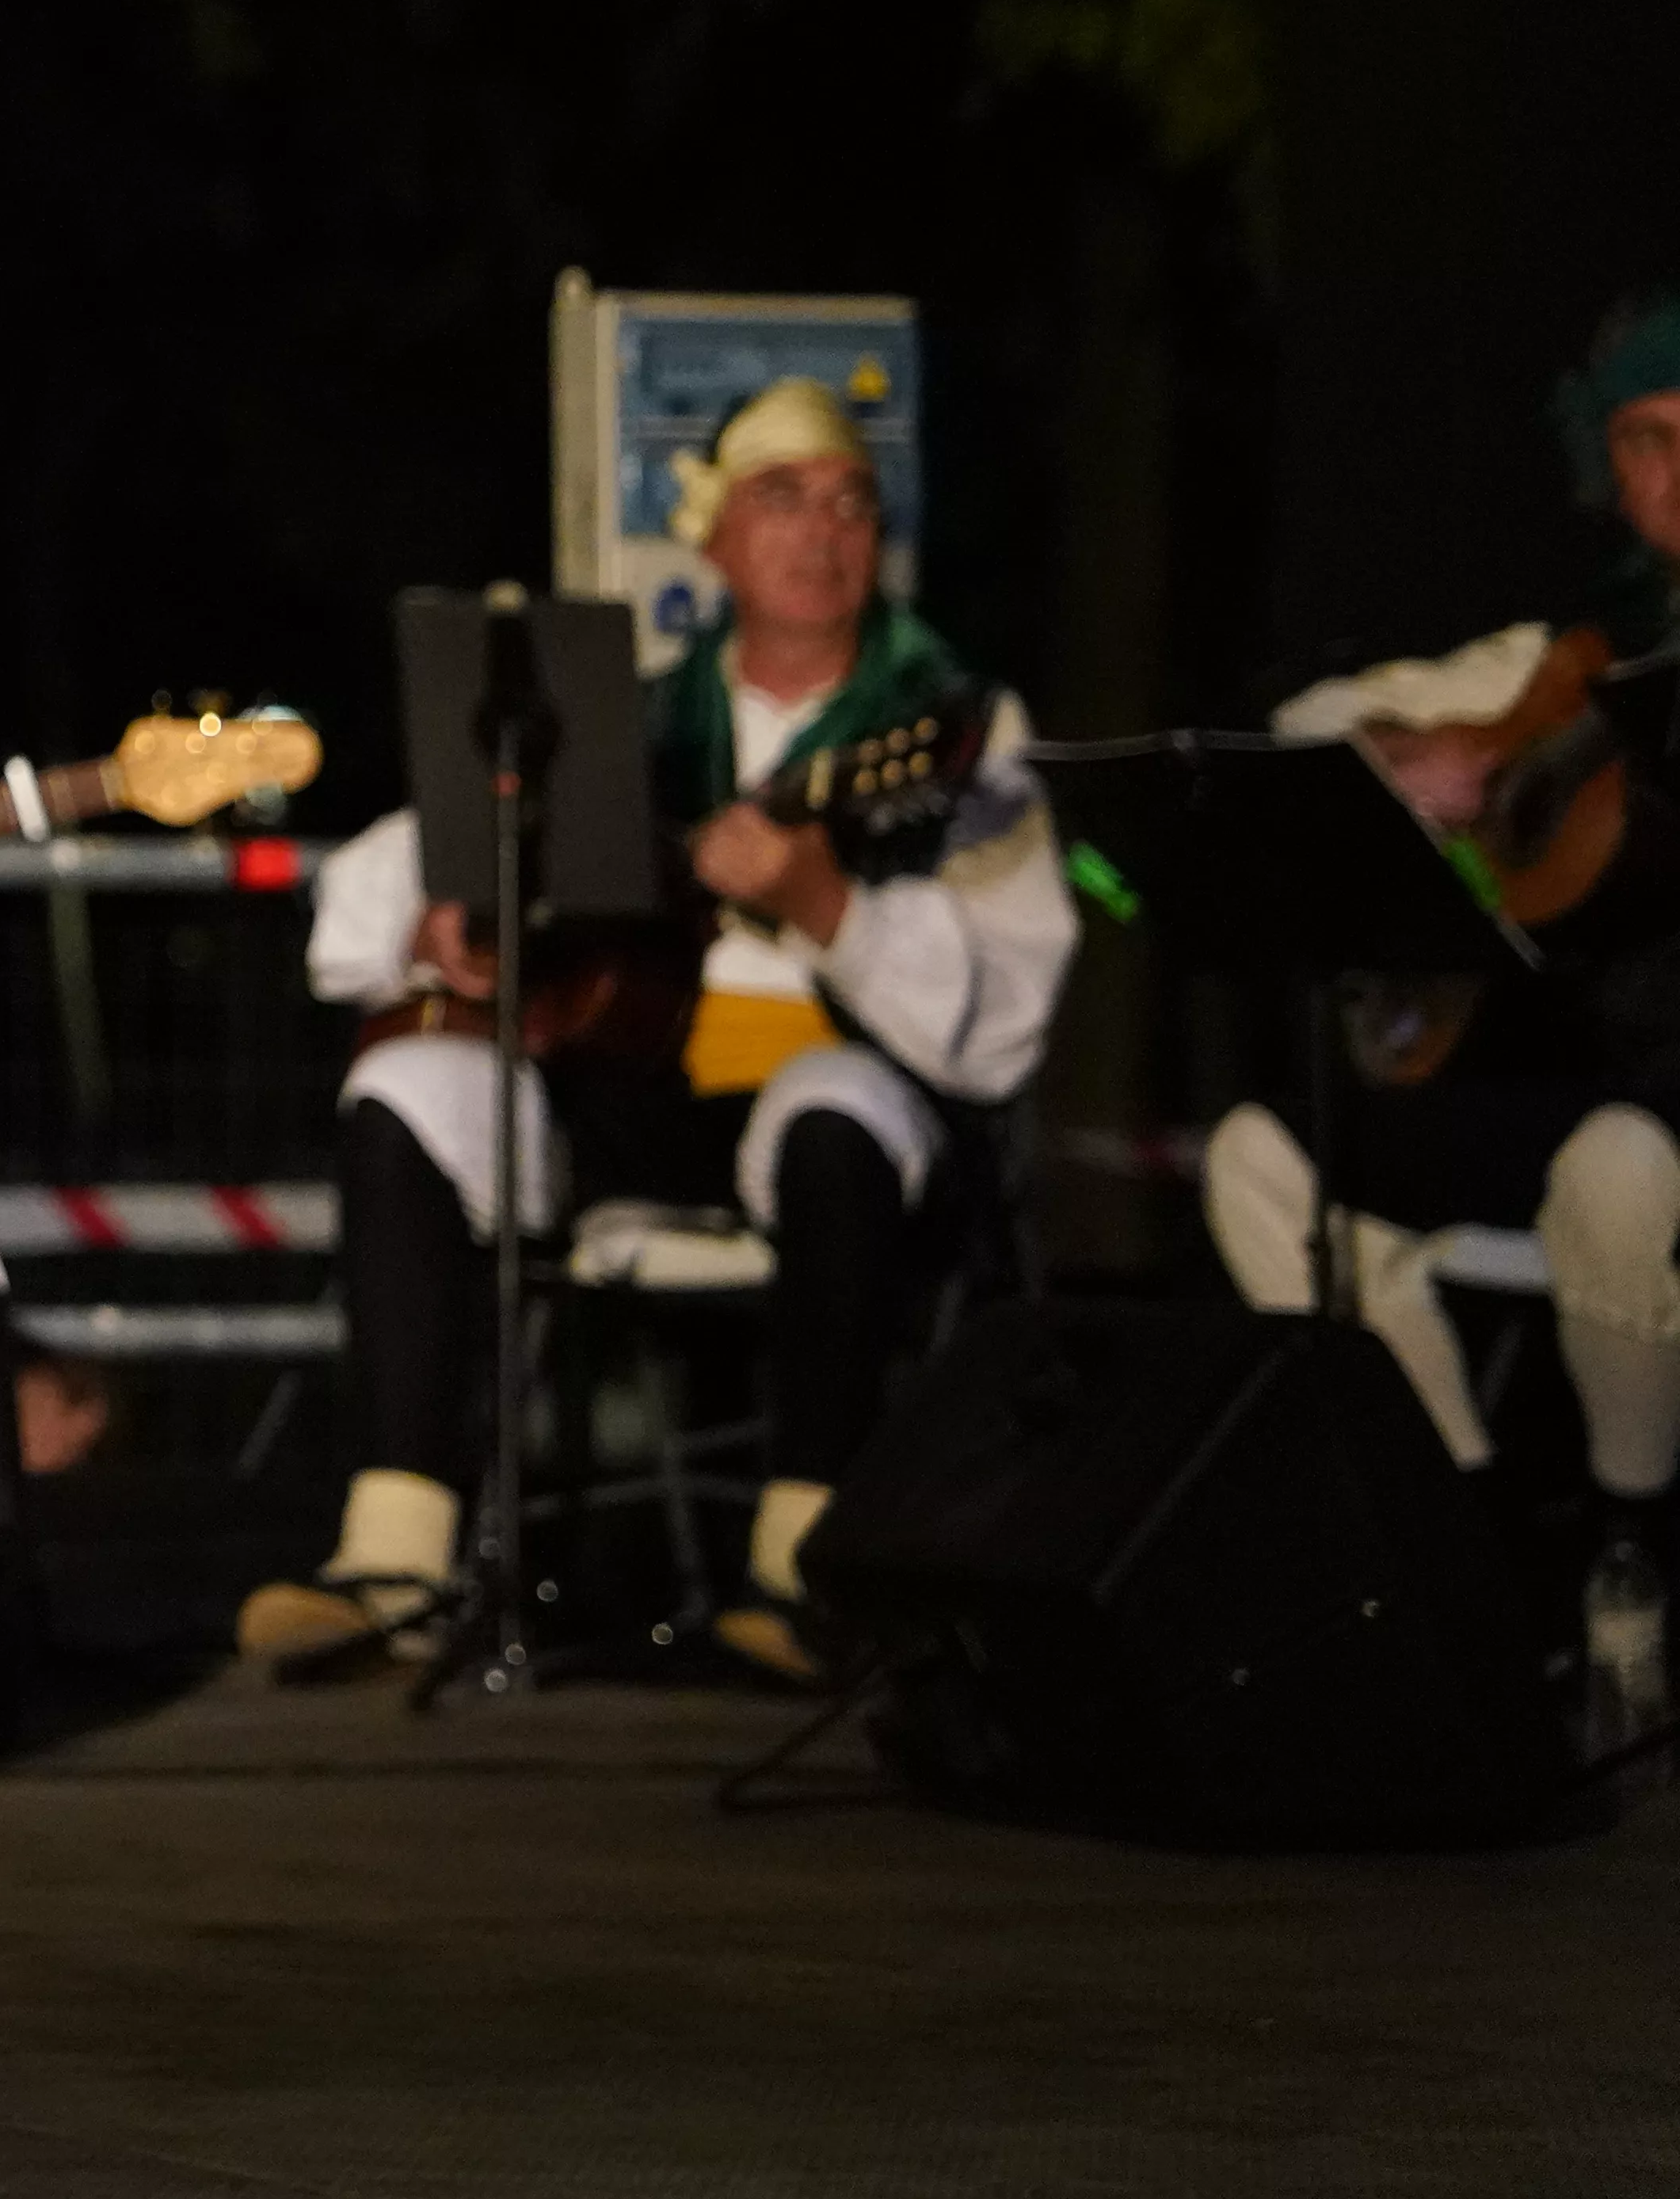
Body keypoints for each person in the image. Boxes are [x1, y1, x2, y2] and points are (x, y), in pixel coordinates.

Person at [246, 376, 1069, 1683]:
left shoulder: (955, 725)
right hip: (629, 1094)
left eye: (850, 502)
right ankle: (392, 1545)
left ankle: (806, 1563)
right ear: (717, 542)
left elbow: (1011, 1005)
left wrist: (822, 899)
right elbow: (402, 864)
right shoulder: (640, 714)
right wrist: (443, 916)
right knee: (407, 1083)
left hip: (847, 1118)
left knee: (833, 1109)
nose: (821, 532)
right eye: (782, 500)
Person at [1198, 292, 1680, 1657]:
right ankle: (1454, 1533)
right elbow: (1305, 723)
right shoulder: (1580, 648)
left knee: (1621, 1163)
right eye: (1644, 439)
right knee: (1262, 1152)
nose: (1673, 474)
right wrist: (1438, 750)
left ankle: (1626, 1542)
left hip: (1658, 1102)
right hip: (1552, 1071)